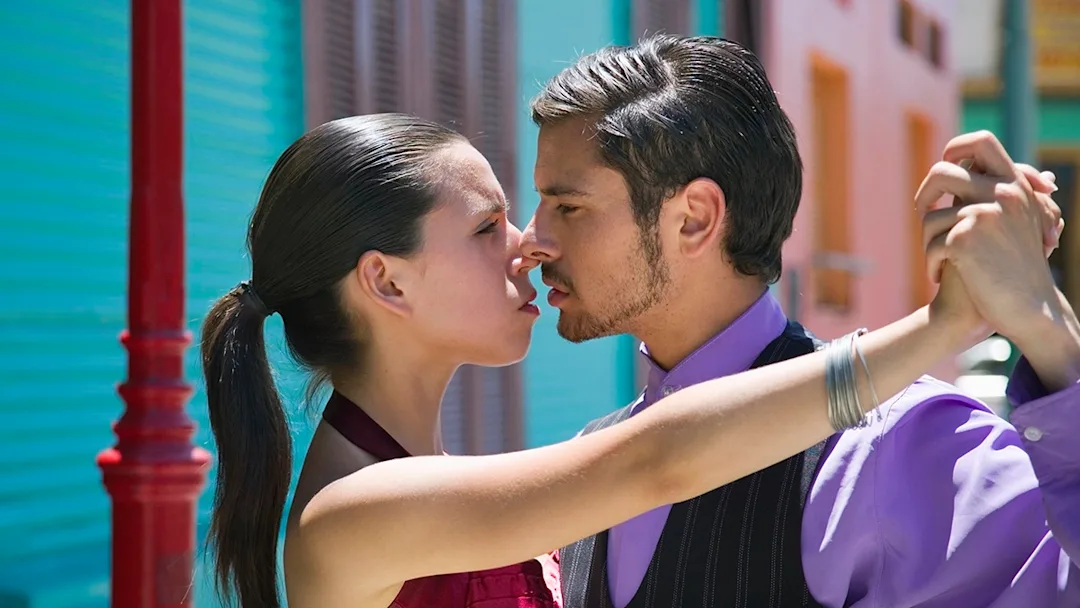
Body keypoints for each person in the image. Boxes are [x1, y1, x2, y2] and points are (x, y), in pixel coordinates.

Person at [200, 112, 1052, 608]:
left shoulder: (419, 483)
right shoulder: (351, 514)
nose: (530, 244)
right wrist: (944, 326)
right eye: (486, 227)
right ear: (385, 282)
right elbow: (657, 461)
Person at [523, 35, 1080, 608]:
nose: (531, 240)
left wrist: (1054, 338)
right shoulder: (590, 458)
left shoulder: (897, 447)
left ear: (694, 219)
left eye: (567, 207)